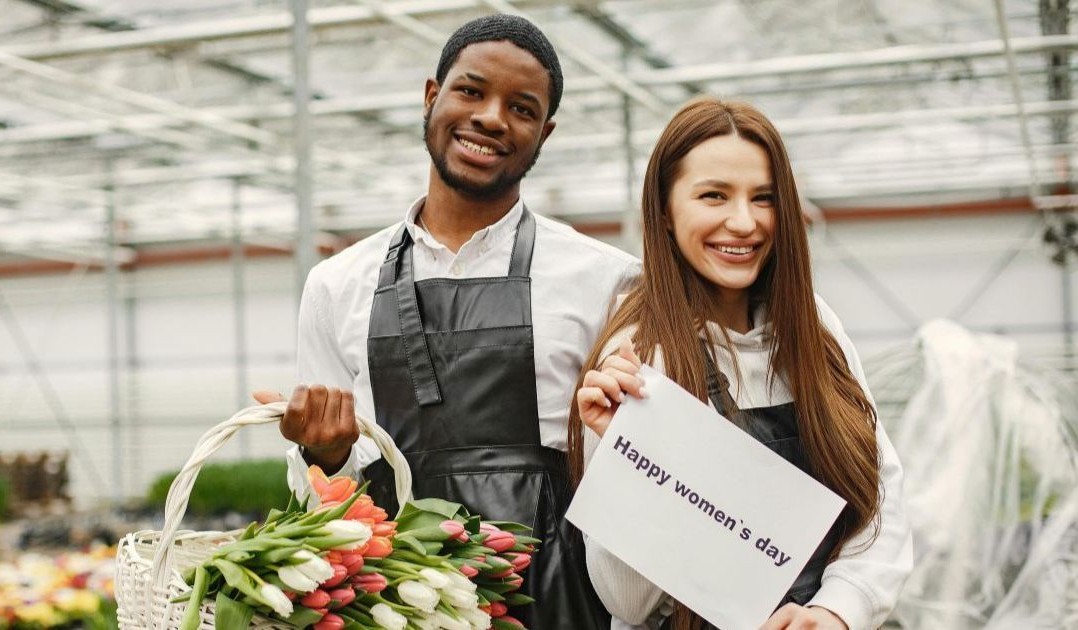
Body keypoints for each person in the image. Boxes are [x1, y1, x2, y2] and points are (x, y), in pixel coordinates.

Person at [253, 14, 638, 628]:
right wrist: (324, 455)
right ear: (432, 96)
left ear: (545, 133)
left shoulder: (609, 281)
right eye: (471, 91)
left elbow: (635, 473)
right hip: (398, 599)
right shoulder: (337, 284)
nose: (490, 117)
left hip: (561, 602)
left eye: (521, 107)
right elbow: (324, 502)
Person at [570, 98, 913, 630]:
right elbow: (628, 603)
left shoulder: (815, 330)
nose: (743, 222)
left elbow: (878, 497)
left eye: (764, 198)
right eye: (713, 196)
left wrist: (838, 609)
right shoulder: (638, 356)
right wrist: (630, 455)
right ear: (664, 208)